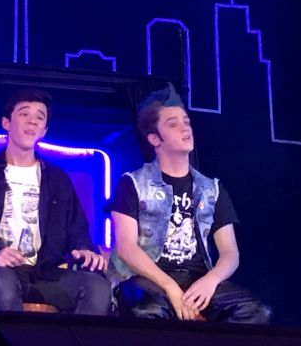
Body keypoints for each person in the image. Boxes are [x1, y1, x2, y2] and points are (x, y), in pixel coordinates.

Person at [108, 84, 272, 323]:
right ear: (154, 138)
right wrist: (170, 287)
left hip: (197, 279)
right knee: (147, 312)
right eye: (173, 124)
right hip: (150, 277)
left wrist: (211, 280)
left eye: (186, 122)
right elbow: (127, 248)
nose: (185, 128)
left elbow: (230, 252)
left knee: (255, 312)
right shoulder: (133, 183)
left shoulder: (211, 189)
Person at [0, 89, 111, 314]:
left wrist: (84, 249)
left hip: (45, 274)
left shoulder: (57, 179)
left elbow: (76, 227)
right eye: (24, 114)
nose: (32, 121)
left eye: (40, 117)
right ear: (6, 122)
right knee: (2, 284)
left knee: (96, 288)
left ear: (44, 130)